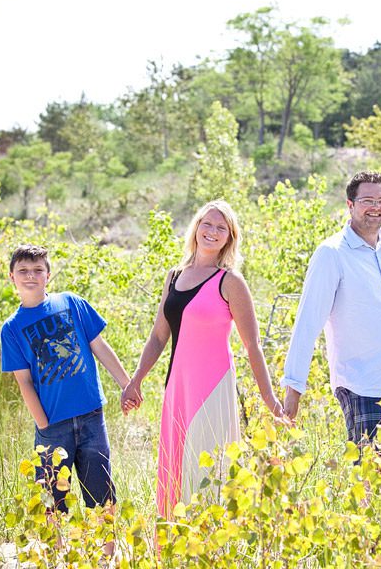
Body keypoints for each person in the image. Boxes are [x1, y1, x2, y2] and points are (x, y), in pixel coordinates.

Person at [121, 200, 285, 517]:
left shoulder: (231, 282)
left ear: (229, 237)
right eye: (207, 224)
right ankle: (172, 554)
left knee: (209, 474)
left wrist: (271, 401)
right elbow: (158, 336)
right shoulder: (174, 277)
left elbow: (253, 346)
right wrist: (135, 381)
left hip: (213, 393)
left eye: (221, 228)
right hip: (177, 391)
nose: (212, 231)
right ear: (196, 227)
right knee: (175, 470)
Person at [281, 171, 381, 445]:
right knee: (371, 476)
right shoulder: (331, 254)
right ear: (350, 205)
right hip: (362, 385)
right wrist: (294, 389)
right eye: (367, 200)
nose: (376, 207)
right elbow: (307, 322)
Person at [0, 244, 130, 534]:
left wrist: (126, 383)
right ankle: (57, 557)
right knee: (51, 498)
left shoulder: (71, 303)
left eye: (37, 270)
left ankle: (105, 556)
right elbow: (24, 381)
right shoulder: (12, 328)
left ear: (48, 275)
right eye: (23, 271)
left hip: (90, 415)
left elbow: (100, 347)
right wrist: (43, 423)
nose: (30, 276)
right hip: (52, 424)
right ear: (12, 277)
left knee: (101, 491)